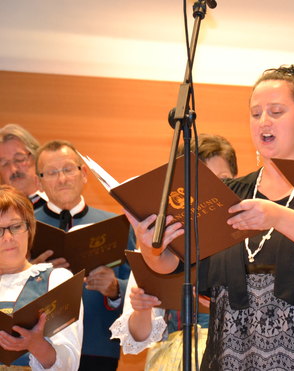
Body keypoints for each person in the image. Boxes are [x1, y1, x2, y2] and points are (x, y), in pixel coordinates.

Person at [128, 65, 294, 370]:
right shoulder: (229, 193)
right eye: (256, 114)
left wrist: (277, 216)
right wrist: (151, 246)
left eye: (276, 112)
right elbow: (174, 264)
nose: (263, 121)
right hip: (236, 351)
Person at [110, 134, 239, 370]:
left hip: (237, 354)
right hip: (176, 359)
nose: (213, 191)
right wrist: (142, 308)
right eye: (202, 183)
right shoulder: (160, 242)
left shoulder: (248, 235)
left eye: (223, 180)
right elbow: (138, 338)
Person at [32, 140, 136, 371]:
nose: (62, 179)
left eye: (68, 169)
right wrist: (30, 272)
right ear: (39, 181)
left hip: (98, 345)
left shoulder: (115, 225)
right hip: (39, 348)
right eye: (51, 173)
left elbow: (139, 286)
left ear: (84, 174)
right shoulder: (24, 227)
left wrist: (115, 288)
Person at [0, 184, 82, 370]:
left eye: (16, 226)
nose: (8, 238)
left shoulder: (56, 279)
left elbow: (70, 364)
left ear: (29, 228)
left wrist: (35, 344)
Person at [0, 124, 47, 210]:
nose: (13, 169)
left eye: (19, 159)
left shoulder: (60, 204)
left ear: (36, 157)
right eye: (5, 164)